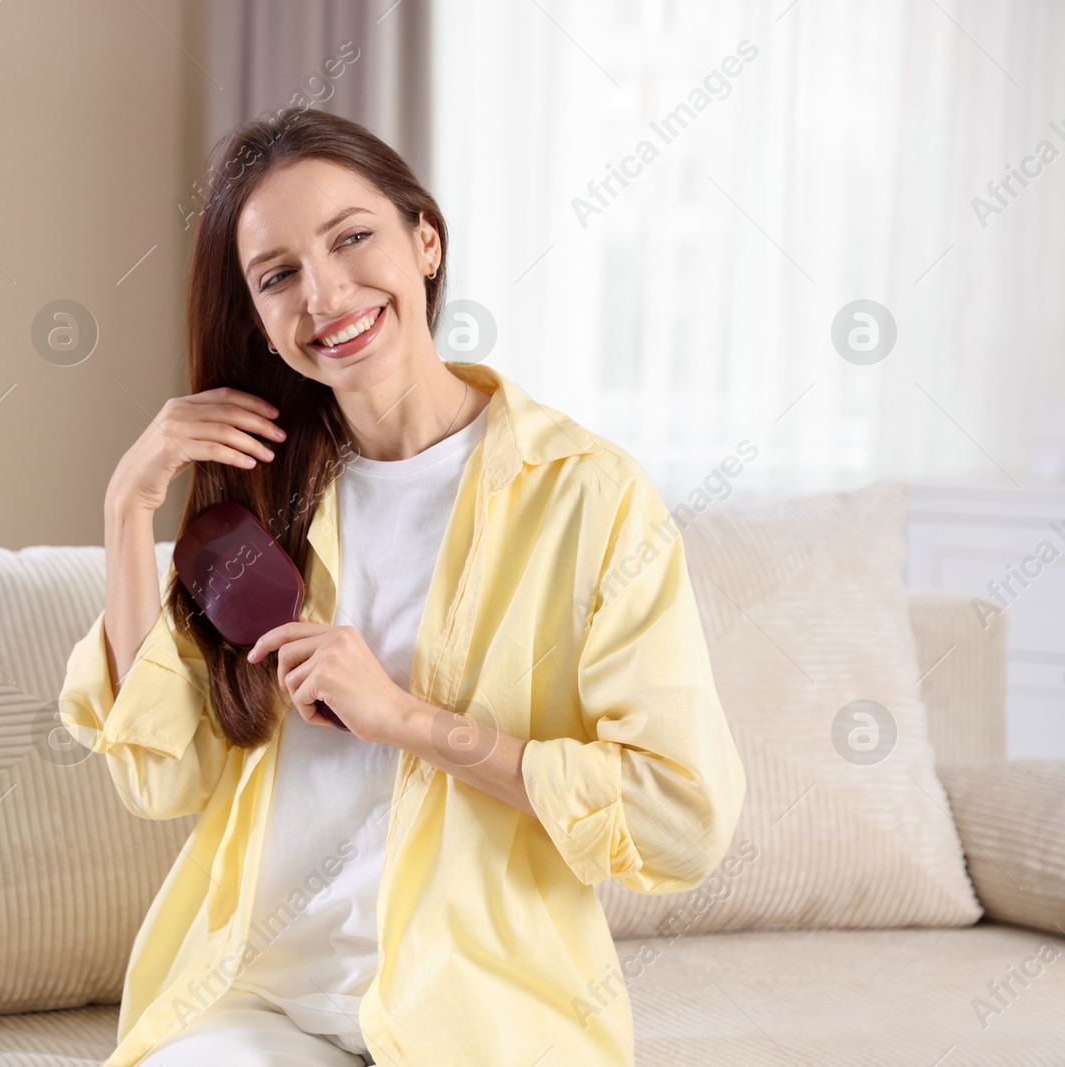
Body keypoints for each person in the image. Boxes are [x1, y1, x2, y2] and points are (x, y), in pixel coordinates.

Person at [57, 106, 745, 1067]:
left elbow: (679, 815)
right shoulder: (262, 500)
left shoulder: (587, 497)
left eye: (352, 238)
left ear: (425, 241)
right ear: (256, 315)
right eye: (278, 275)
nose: (326, 293)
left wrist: (405, 718)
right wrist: (128, 508)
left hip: (482, 1016)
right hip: (262, 1003)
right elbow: (162, 774)